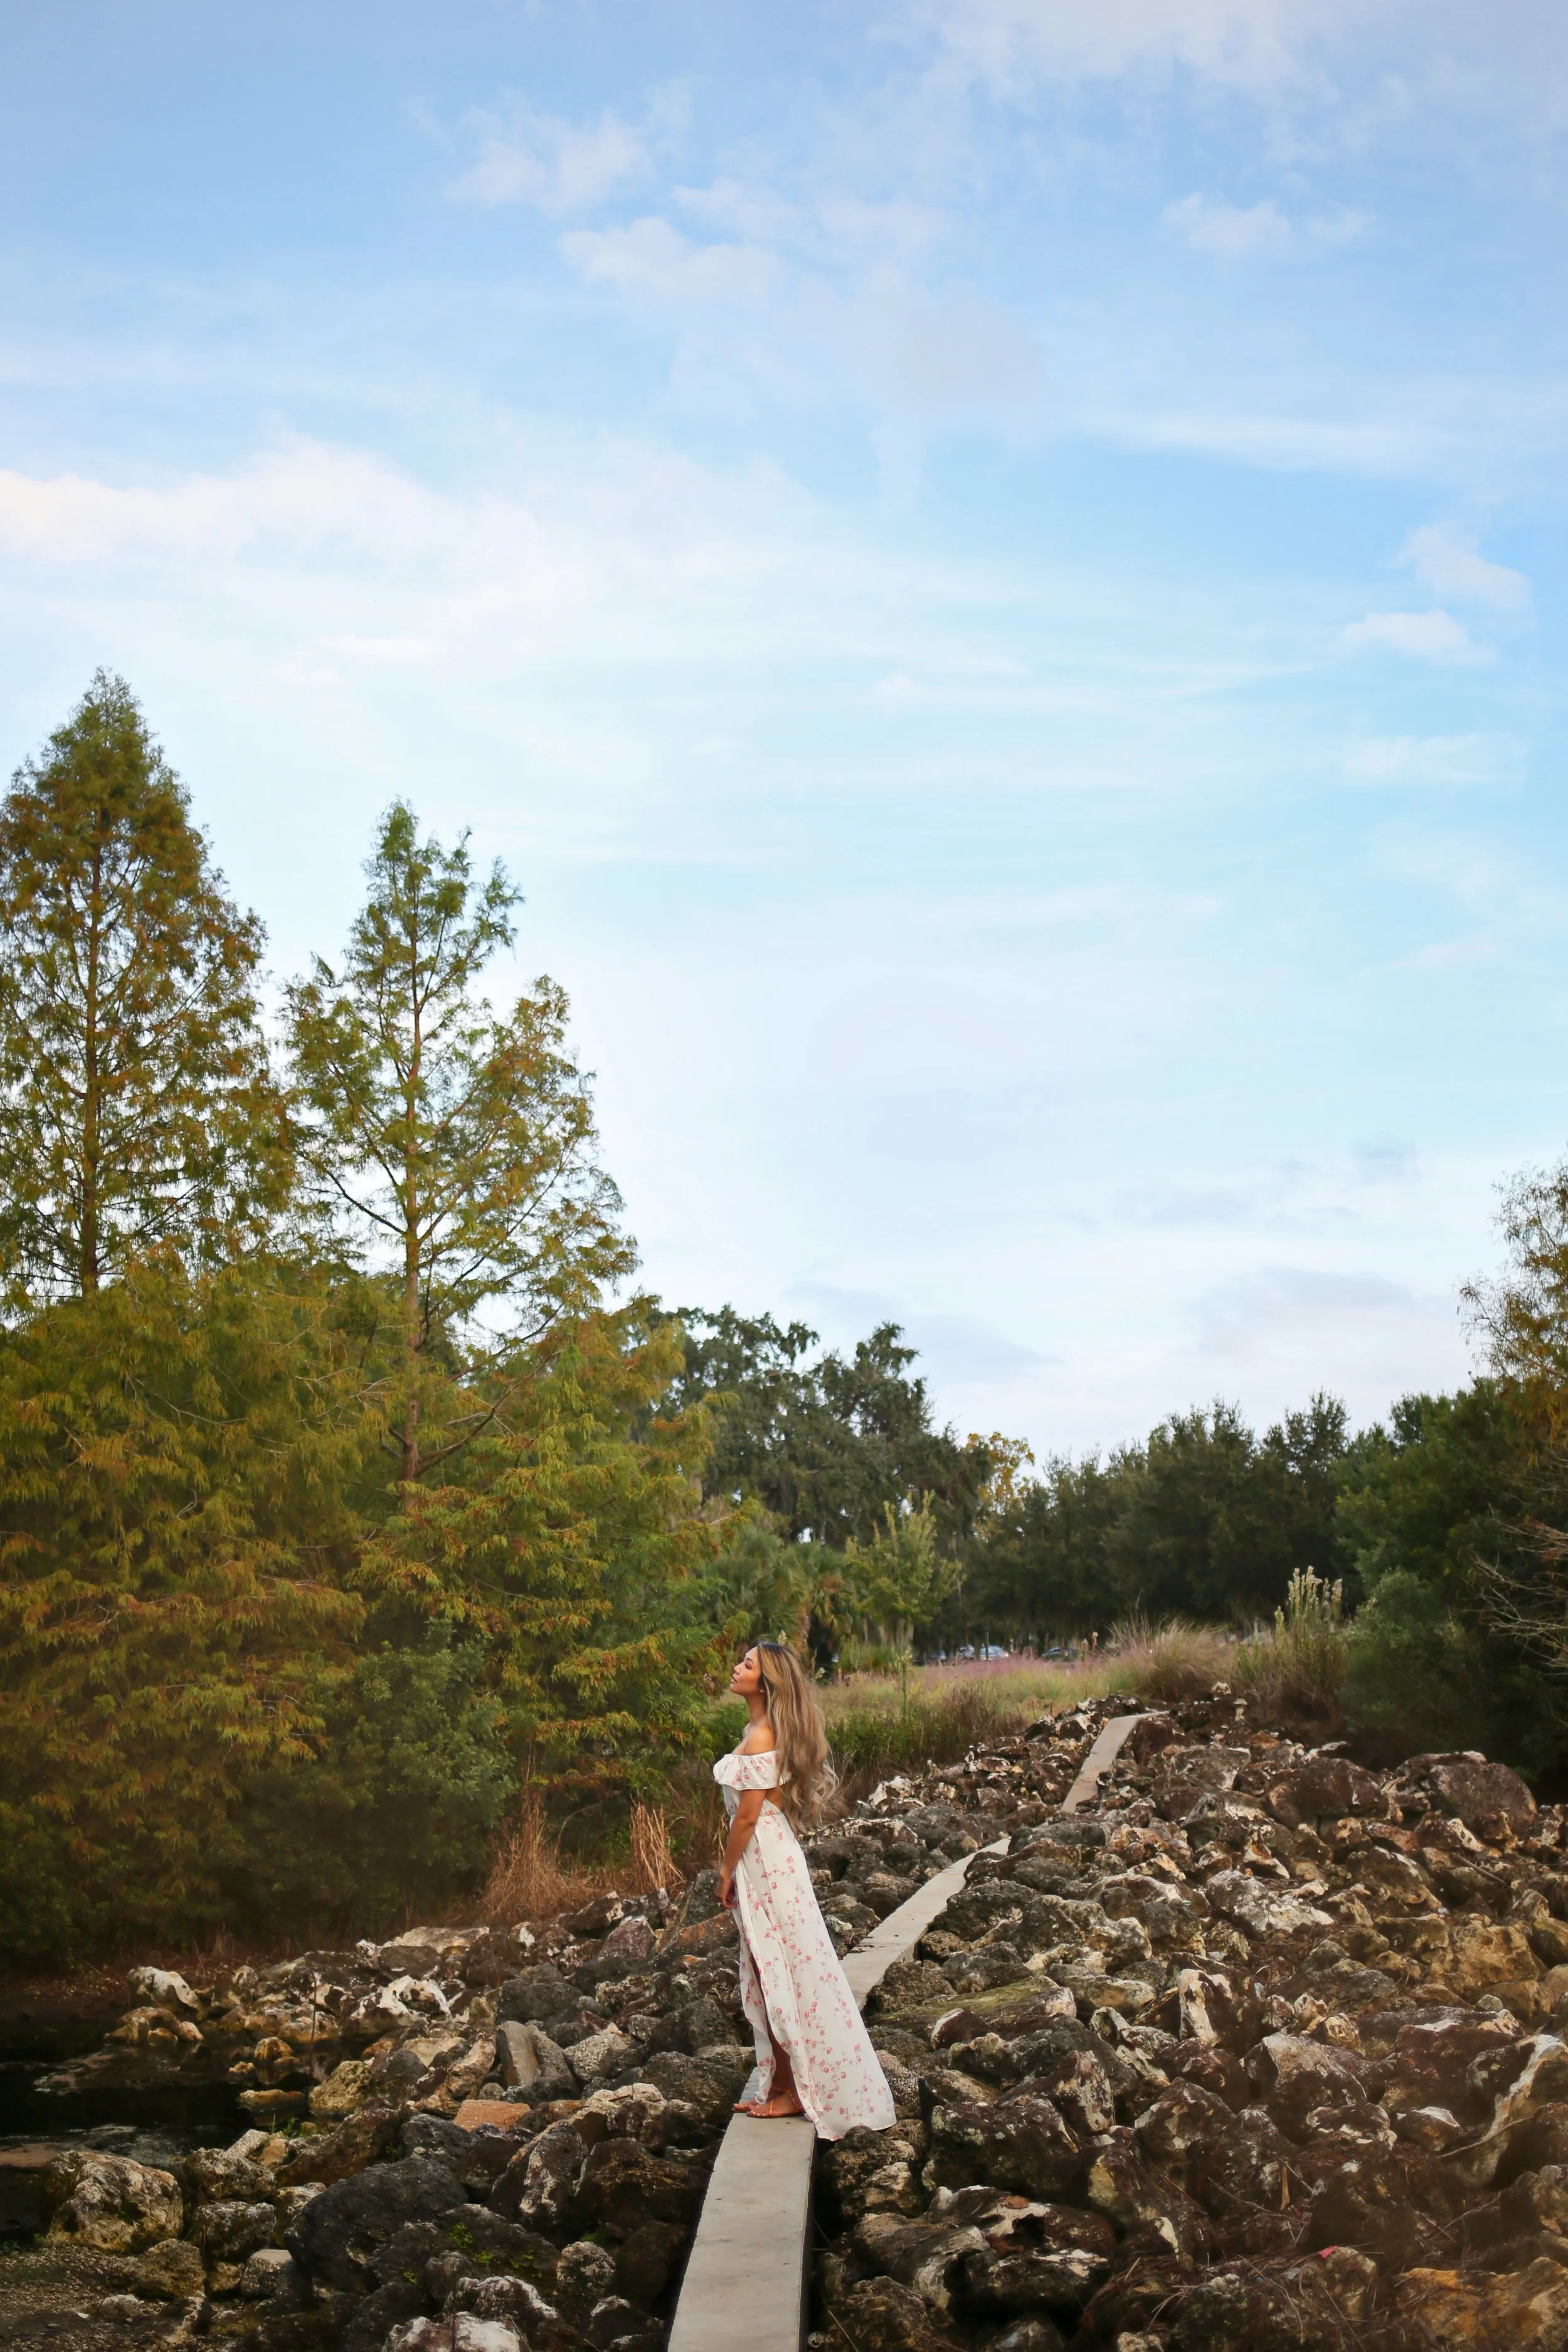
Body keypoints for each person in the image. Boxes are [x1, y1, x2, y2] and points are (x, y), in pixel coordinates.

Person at [713, 1641, 896, 2137]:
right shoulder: (755, 1731)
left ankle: (795, 2092)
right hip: (769, 1859)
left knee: (780, 1969)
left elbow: (747, 1816)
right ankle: (779, 2084)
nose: (736, 1667)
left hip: (764, 1863)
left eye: (747, 1664)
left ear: (766, 1682)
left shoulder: (761, 1736)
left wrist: (726, 1871)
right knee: (769, 1964)